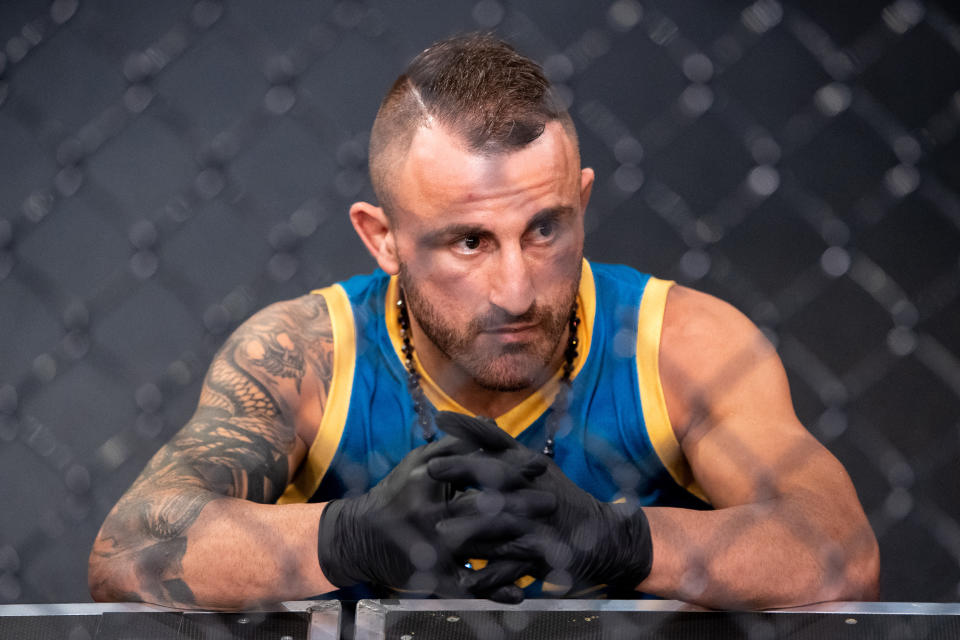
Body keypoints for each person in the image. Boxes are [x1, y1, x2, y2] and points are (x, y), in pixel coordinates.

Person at [88, 34, 879, 611]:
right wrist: (348, 536)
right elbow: (127, 548)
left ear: (584, 202)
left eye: (546, 229)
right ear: (382, 238)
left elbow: (840, 554)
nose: (516, 288)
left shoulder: (681, 343)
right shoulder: (306, 354)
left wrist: (623, 540)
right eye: (468, 241)